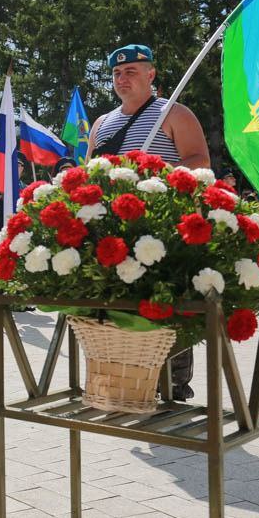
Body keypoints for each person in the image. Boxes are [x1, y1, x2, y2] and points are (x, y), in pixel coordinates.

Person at [87, 43, 212, 401]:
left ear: (151, 75)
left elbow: (200, 160)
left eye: (131, 72)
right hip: (114, 233)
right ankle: (128, 384)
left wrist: (156, 177)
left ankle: (173, 387)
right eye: (116, 73)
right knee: (120, 309)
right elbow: (90, 175)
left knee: (165, 306)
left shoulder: (174, 113)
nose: (122, 79)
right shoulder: (102, 123)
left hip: (163, 229)